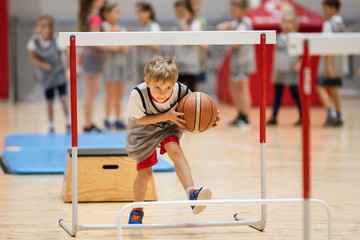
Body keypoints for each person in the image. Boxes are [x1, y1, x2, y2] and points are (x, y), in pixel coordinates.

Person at [125, 56, 220, 224]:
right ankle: (137, 209)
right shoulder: (138, 94)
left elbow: (195, 113)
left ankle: (192, 193)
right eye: (157, 88)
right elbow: (139, 120)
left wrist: (210, 120)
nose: (163, 92)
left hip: (168, 126)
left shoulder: (182, 91)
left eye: (168, 87)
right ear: (147, 82)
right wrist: (167, 115)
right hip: (142, 131)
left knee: (174, 149)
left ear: (175, 82)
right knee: (145, 174)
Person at [27, 15, 71, 134]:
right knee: (49, 100)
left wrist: (68, 70)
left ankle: (68, 121)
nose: (40, 28)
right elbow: (31, 56)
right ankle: (51, 124)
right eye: (39, 25)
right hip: (46, 75)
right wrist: (42, 64)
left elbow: (66, 54)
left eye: (43, 26)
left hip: (59, 73)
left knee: (63, 98)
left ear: (50, 28)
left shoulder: (56, 40)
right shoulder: (34, 41)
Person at [217, 0, 255, 126]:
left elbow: (236, 43)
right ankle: (239, 114)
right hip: (236, 62)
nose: (232, 11)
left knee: (242, 89)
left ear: (243, 10)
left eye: (235, 9)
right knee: (234, 88)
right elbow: (222, 26)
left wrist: (225, 37)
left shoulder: (245, 23)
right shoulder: (236, 22)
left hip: (243, 61)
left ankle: (245, 116)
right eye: (232, 9)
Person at [267, 10, 301, 126]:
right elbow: (275, 53)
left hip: (291, 70)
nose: (286, 25)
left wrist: (299, 64)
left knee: (295, 94)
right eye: (284, 22)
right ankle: (274, 116)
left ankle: (303, 116)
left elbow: (305, 53)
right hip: (279, 70)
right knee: (277, 95)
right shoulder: (279, 37)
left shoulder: (297, 37)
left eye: (289, 22)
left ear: (295, 24)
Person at [100, 2, 129, 130]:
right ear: (106, 13)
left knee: (119, 93)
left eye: (119, 12)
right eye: (115, 12)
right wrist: (117, 46)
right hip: (108, 64)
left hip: (121, 64)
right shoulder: (102, 27)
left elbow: (126, 47)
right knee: (109, 94)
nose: (117, 15)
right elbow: (104, 45)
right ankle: (107, 119)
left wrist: (116, 46)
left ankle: (118, 119)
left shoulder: (121, 29)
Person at [317, 0, 345, 127]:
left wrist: (328, 65)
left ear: (332, 8)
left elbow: (329, 44)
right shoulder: (342, 23)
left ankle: (330, 114)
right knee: (334, 89)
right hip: (339, 60)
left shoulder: (328, 24)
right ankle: (339, 115)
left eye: (325, 8)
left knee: (320, 86)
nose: (324, 11)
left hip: (330, 60)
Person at [78, 0, 105, 132]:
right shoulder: (94, 17)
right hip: (93, 56)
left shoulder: (90, 15)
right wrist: (115, 47)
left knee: (92, 91)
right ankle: (88, 123)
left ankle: (88, 121)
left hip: (93, 57)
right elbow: (95, 41)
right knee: (91, 91)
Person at [173, 0, 201, 92]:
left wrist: (184, 22)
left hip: (191, 66)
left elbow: (190, 39)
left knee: (191, 92)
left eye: (182, 11)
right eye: (177, 12)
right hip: (179, 65)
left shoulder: (195, 23)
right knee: (178, 91)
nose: (179, 14)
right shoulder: (177, 25)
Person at [135, 1, 161, 83]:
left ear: (149, 12)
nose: (140, 15)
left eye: (142, 11)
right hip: (140, 64)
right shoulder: (139, 27)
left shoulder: (154, 26)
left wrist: (140, 40)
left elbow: (156, 45)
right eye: (138, 12)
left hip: (152, 65)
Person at [190, 0, 208, 92]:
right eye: (193, 4)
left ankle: (196, 105)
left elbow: (205, 44)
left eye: (197, 4)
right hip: (187, 58)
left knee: (197, 84)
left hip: (199, 58)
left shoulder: (202, 21)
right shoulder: (181, 20)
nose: (195, 7)